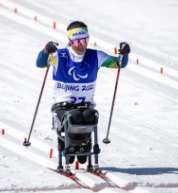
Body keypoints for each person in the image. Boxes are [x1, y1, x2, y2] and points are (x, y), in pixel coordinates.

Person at [36, 21, 130, 171]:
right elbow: (40, 63)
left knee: (89, 116)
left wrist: (124, 54)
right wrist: (46, 51)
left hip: (86, 106)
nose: (82, 44)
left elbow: (119, 64)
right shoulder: (59, 56)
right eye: (78, 41)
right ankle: (68, 154)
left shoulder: (96, 56)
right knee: (74, 118)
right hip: (63, 106)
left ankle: (83, 150)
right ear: (71, 41)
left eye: (85, 40)